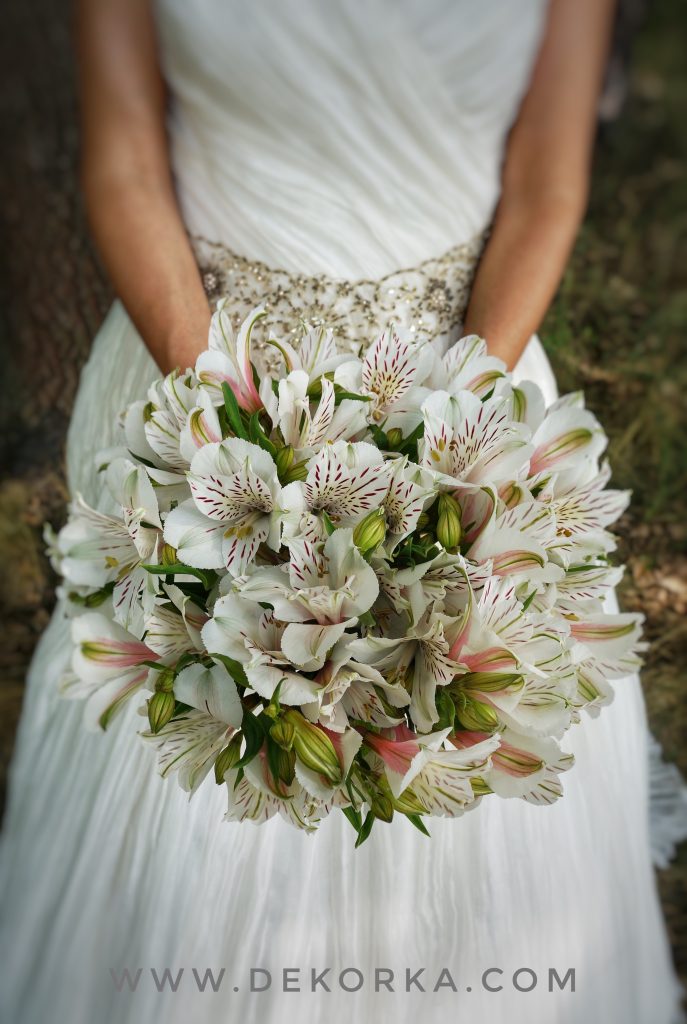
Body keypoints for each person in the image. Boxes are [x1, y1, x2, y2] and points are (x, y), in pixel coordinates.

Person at [1, 1, 685, 1022]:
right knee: (184, 746)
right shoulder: (210, 415)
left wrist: (456, 436)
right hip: (197, 377)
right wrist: (226, 432)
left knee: (458, 715)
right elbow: (126, 162)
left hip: (465, 382)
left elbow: (548, 176)